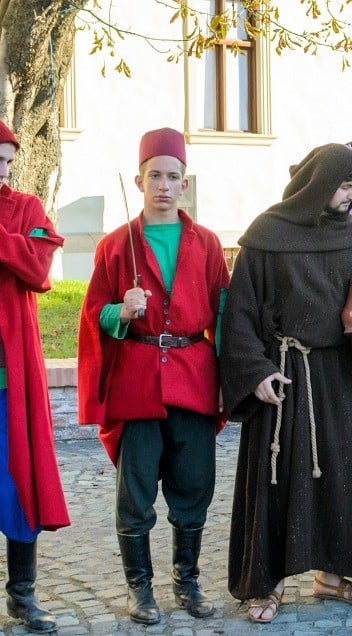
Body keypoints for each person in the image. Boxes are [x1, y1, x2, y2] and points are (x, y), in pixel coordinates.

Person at [220, 143, 352, 622]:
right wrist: (255, 370)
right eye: (345, 185)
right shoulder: (266, 234)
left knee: (343, 476)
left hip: (340, 374)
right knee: (278, 478)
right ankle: (269, 582)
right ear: (319, 183)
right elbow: (238, 313)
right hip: (283, 372)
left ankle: (333, 574)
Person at [78, 128, 229, 625]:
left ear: (184, 183)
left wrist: (237, 375)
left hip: (193, 378)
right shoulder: (114, 246)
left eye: (172, 176)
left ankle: (186, 582)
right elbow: (94, 313)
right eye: (154, 176)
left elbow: (225, 315)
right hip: (137, 382)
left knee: (194, 487)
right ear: (140, 180)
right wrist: (121, 310)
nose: (163, 185)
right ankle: (139, 589)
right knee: (136, 492)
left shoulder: (207, 244)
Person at [0, 121, 70, 634]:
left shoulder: (26, 209)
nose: (4, 170)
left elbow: (39, 269)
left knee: (17, 479)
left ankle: (22, 595)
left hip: (10, 376)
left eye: (8, 161)